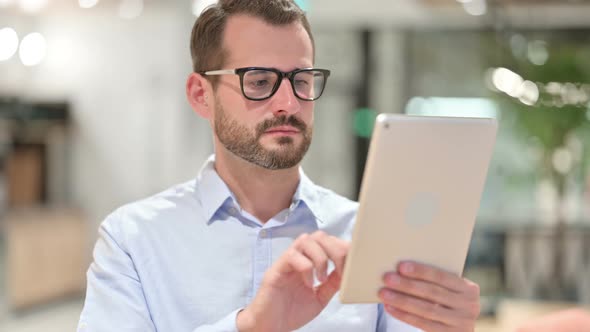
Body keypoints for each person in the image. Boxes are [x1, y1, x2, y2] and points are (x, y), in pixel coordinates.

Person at [77, 0, 481, 331]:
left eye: (302, 81)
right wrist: (250, 326)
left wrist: (447, 326)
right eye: (258, 81)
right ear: (202, 94)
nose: (289, 103)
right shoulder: (133, 239)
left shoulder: (368, 236)